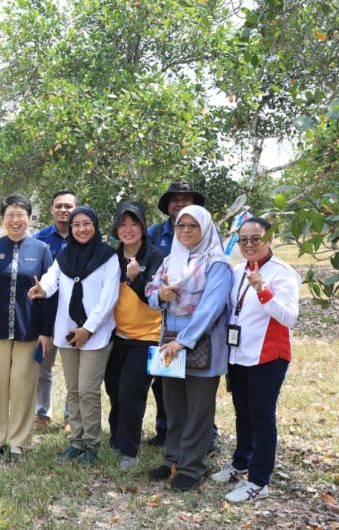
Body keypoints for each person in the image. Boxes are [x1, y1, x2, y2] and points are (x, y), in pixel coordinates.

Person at [212, 217, 299, 503]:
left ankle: (259, 481)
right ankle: (241, 463)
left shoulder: (283, 272)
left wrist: (263, 291)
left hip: (268, 356)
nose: (249, 245)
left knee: (262, 417)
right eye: (243, 239)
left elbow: (289, 317)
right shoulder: (238, 270)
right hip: (239, 354)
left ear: (269, 239)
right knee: (243, 414)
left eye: (255, 238)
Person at [145, 204, 232, 491]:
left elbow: (211, 308)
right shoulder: (172, 259)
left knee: (198, 409)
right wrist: (161, 295)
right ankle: (172, 459)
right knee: (173, 406)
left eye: (192, 226)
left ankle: (191, 467)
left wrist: (184, 341)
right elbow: (150, 291)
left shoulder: (216, 263)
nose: (185, 230)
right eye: (181, 225)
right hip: (169, 340)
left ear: (205, 229)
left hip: (201, 341)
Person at [28, 206, 118, 465]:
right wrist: (42, 290)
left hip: (95, 334)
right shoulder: (64, 255)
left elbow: (109, 298)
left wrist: (88, 329)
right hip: (67, 331)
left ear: (95, 226)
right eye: (76, 225)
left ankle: (92, 443)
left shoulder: (108, 256)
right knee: (73, 390)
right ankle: (76, 442)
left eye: (87, 223)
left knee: (88, 390)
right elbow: (52, 278)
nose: (81, 229)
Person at [0, 195, 53, 459]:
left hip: (29, 329)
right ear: (2, 219)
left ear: (29, 218)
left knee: (23, 383)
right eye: (10, 215)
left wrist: (46, 331)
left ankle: (18, 441)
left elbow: (50, 291)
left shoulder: (41, 249)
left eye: (20, 215)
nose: (15, 220)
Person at [102, 201, 166, 470]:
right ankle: (117, 437)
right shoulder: (110, 257)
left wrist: (136, 278)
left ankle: (129, 450)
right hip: (117, 335)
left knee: (131, 391)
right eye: (122, 224)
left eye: (134, 223)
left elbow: (157, 298)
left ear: (143, 226)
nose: (128, 229)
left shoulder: (157, 256)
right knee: (114, 388)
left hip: (148, 336)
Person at [145, 182, 206, 448]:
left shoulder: (207, 241)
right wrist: (158, 294)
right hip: (164, 320)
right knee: (166, 380)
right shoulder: (156, 233)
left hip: (198, 326)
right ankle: (166, 431)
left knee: (199, 387)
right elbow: (150, 274)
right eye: (174, 199)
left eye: (185, 198)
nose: (179, 203)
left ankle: (205, 438)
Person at [33, 190, 77, 431]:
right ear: (51, 209)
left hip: (74, 315)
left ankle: (71, 417)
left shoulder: (83, 235)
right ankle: (42, 413)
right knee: (42, 366)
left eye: (68, 206)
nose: (63, 210)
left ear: (76, 209)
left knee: (73, 370)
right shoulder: (40, 240)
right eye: (58, 206)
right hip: (46, 314)